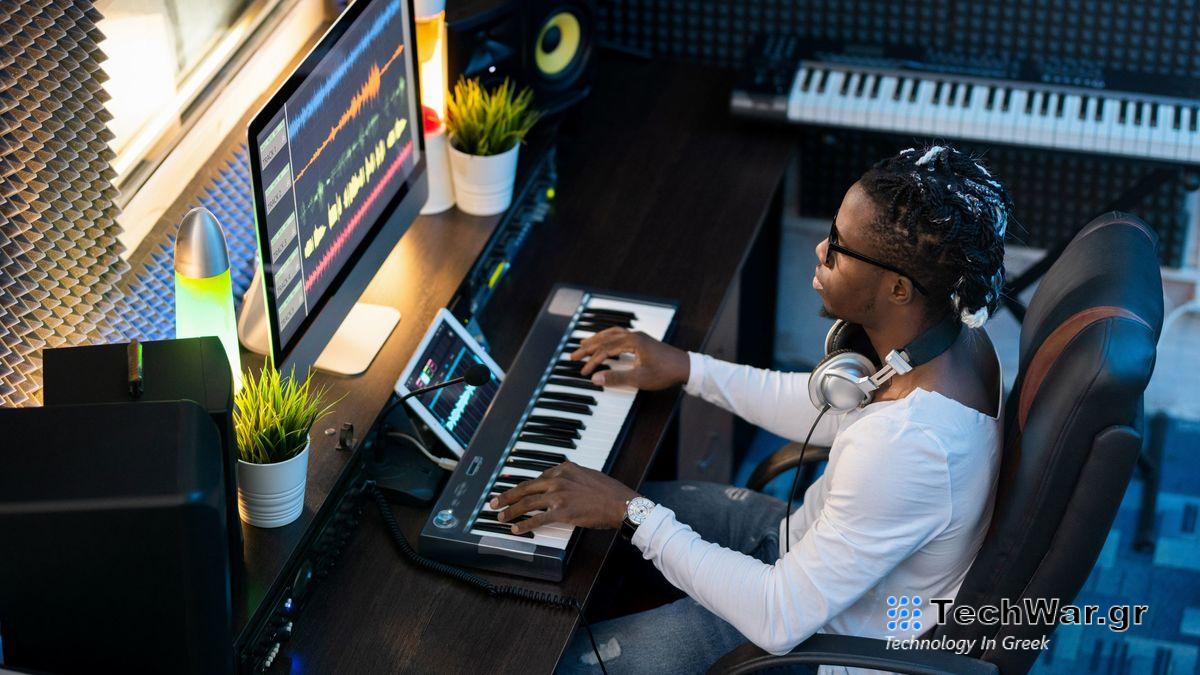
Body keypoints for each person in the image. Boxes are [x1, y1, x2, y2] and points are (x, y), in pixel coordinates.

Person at [490, 145, 1011, 674]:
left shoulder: (908, 447)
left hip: (807, 638)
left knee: (562, 663)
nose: (820, 248)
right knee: (583, 523)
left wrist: (631, 513)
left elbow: (779, 617)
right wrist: (689, 368)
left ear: (899, 288)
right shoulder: (955, 339)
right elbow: (835, 406)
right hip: (804, 553)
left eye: (840, 248)